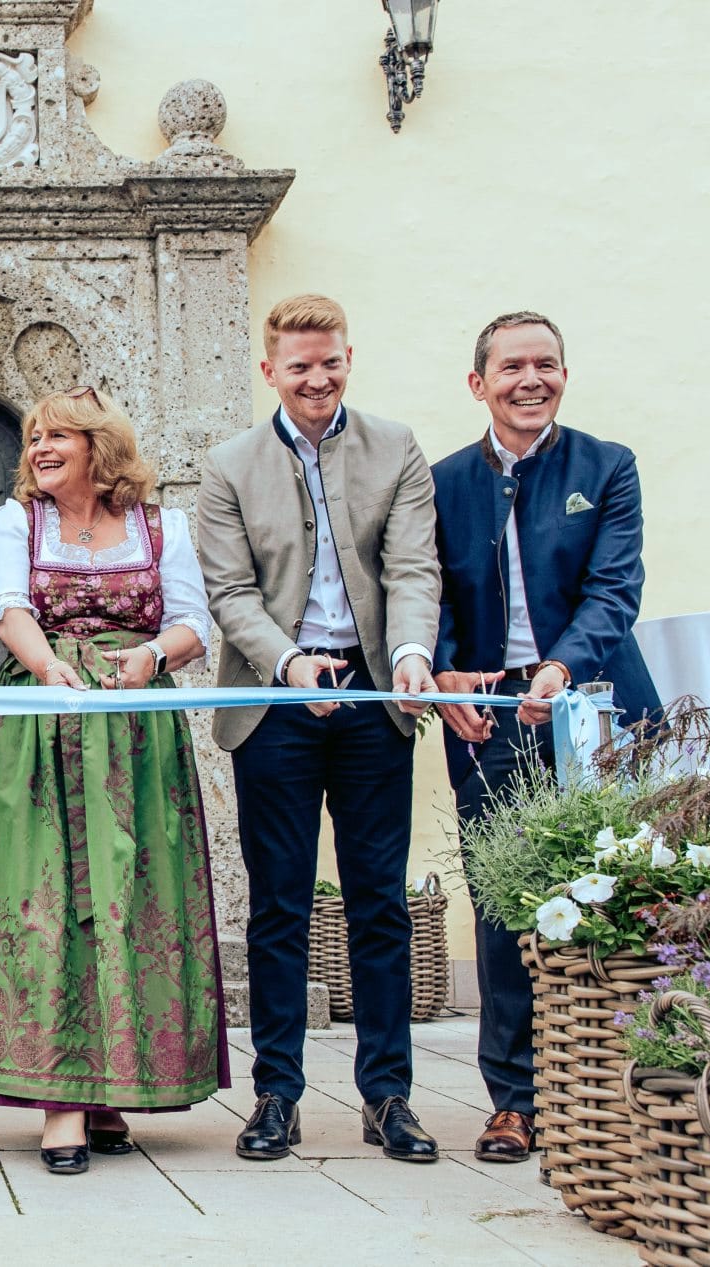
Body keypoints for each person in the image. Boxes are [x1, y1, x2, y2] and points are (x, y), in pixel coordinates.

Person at [195, 294, 443, 1164]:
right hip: (276, 709)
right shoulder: (227, 465)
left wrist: (411, 652)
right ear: (271, 371)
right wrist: (288, 661)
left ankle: (389, 1096)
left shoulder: (397, 447)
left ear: (348, 359)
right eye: (299, 365)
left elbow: (413, 563)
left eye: (330, 362)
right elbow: (229, 595)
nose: (317, 378)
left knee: (379, 901)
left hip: (377, 698)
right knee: (280, 906)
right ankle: (276, 1095)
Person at [0, 386, 226, 1176]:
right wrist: (49, 665)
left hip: (134, 735)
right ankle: (61, 1103)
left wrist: (151, 656)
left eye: (58, 436)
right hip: (40, 731)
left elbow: (193, 622)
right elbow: (4, 605)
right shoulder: (20, 521)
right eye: (34, 436)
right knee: (45, 903)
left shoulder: (161, 525)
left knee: (135, 904)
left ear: (100, 446)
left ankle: (116, 1084)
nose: (40, 447)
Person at [431, 311, 661, 1163]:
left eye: (548, 365)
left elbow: (614, 590)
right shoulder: (444, 480)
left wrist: (559, 669)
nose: (532, 379)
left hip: (595, 708)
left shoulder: (607, 467)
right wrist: (449, 671)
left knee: (619, 898)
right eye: (513, 367)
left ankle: (620, 1085)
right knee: (502, 910)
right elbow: (430, 593)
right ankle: (516, 1100)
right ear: (478, 382)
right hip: (490, 721)